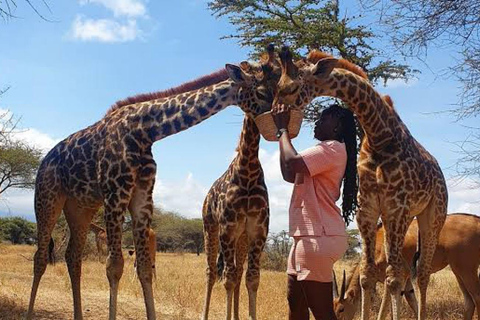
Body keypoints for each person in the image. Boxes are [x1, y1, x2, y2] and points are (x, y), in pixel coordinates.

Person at [273, 104, 358, 320]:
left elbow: (292, 161)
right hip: (307, 236)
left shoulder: (332, 148)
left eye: (323, 119)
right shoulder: (325, 152)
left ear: (337, 126)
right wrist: (281, 135)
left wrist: (283, 130)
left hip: (318, 236)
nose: (317, 123)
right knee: (296, 305)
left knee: (323, 314)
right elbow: (288, 172)